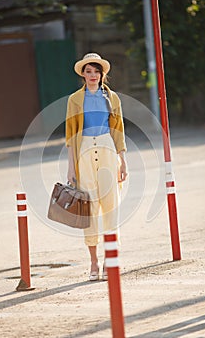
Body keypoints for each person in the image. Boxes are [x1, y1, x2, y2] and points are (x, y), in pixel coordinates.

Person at [65, 53, 128, 281]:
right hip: (83, 151)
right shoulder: (74, 100)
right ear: (83, 74)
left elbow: (119, 131)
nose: (92, 75)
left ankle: (112, 260)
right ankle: (94, 262)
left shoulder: (112, 98)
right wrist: (71, 168)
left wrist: (123, 160)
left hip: (107, 148)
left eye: (96, 71)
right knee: (88, 209)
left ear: (102, 74)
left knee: (111, 205)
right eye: (88, 71)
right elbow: (71, 135)